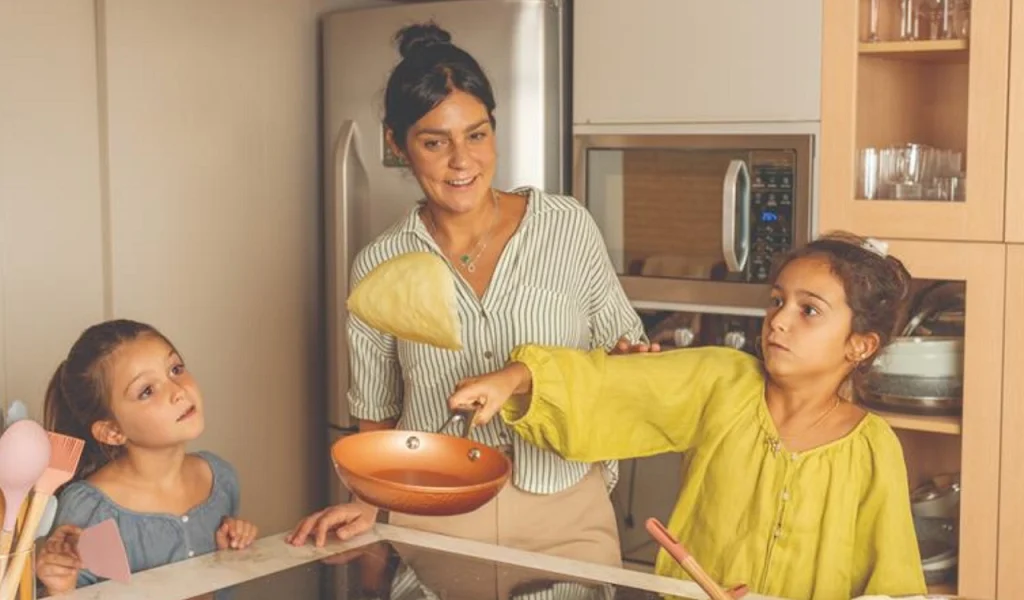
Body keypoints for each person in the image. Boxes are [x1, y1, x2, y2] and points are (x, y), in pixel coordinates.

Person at [287, 21, 652, 566]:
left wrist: (627, 361)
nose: (462, 161)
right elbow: (376, 413)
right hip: (434, 514)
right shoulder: (379, 266)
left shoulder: (566, 227)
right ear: (397, 144)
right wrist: (365, 503)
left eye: (476, 135)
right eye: (435, 142)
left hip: (565, 508)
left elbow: (624, 353)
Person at [448, 232, 928, 600]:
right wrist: (518, 377)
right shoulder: (722, 381)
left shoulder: (873, 448)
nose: (779, 320)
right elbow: (607, 387)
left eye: (810, 311)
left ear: (860, 345)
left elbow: (893, 585)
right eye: (777, 301)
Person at [34, 319, 258, 596]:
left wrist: (234, 548)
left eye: (175, 369)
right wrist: (60, 589)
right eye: (147, 391)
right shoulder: (91, 510)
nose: (178, 391)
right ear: (112, 431)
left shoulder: (220, 478)